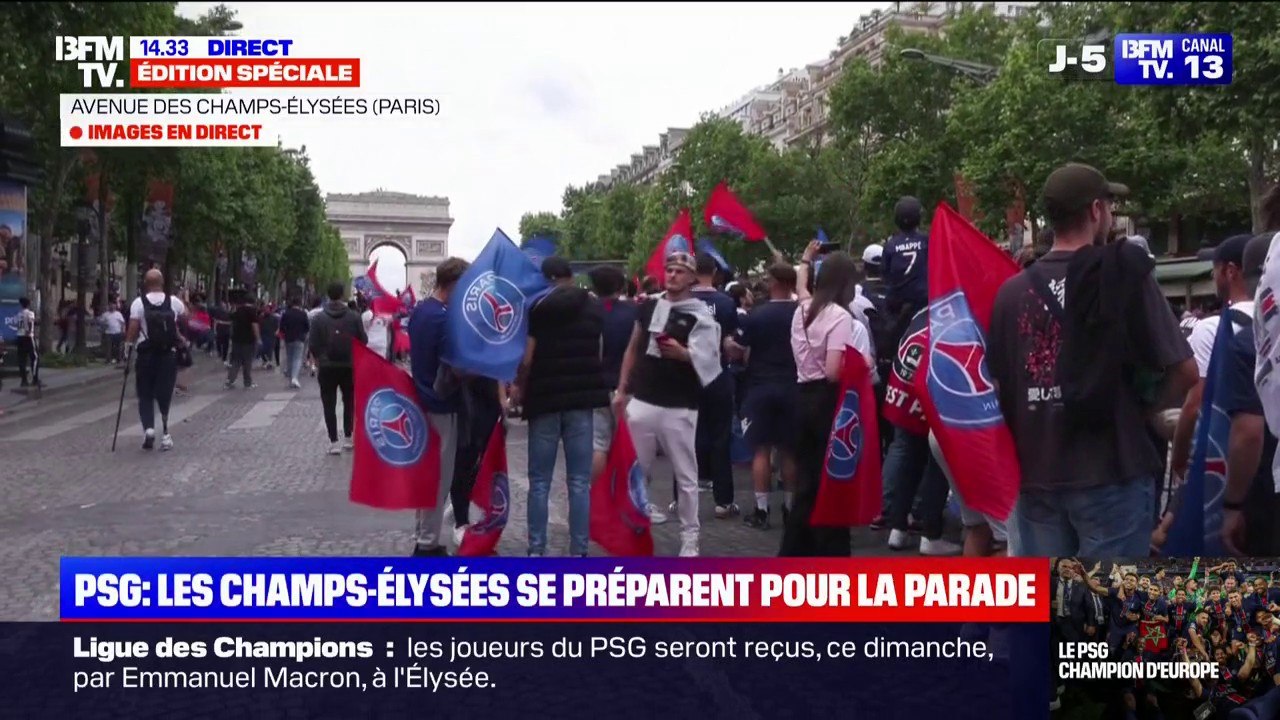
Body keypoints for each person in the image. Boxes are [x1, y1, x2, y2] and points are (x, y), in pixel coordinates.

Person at [987, 163, 1196, 557]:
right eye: (1111, 206)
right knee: (1108, 610)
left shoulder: (1009, 294)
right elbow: (1185, 370)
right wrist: (1147, 410)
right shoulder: (1124, 276)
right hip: (1113, 471)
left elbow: (998, 391)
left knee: (1054, 610)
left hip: (1036, 478)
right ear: (1096, 210)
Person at [615, 251, 723, 557]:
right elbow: (633, 348)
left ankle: (690, 536)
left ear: (691, 277)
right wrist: (623, 390)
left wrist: (685, 354)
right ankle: (633, 524)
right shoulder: (649, 305)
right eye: (669, 269)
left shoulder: (700, 315)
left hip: (680, 404)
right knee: (636, 470)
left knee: (686, 475)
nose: (673, 275)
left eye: (679, 271)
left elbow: (711, 359)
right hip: (644, 399)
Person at [512, 256, 610, 557]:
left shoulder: (539, 307)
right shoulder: (594, 306)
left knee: (539, 480)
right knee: (579, 481)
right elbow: (600, 350)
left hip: (545, 398)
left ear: (550, 278)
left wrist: (518, 387)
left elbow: (527, 358)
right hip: (583, 399)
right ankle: (579, 550)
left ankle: (536, 549)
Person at [781, 243, 873, 557]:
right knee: (831, 482)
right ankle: (830, 552)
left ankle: (794, 551)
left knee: (806, 483)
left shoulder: (802, 309)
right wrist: (863, 363)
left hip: (801, 396)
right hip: (826, 402)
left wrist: (806, 257)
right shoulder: (839, 316)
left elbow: (800, 286)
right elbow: (835, 371)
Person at [728, 262, 799, 530]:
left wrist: (728, 345)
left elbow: (738, 349)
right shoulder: (802, 313)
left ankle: (761, 510)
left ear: (775, 282)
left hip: (759, 387)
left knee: (761, 450)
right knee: (790, 451)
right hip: (793, 387)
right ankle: (790, 509)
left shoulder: (756, 315)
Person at [407, 257, 470, 557]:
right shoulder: (446, 318)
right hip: (442, 404)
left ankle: (423, 533)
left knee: (426, 473)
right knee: (440, 477)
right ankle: (428, 544)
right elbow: (455, 368)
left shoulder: (420, 311)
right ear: (453, 283)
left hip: (420, 400)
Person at [691, 253, 740, 519]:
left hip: (688, 375)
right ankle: (724, 500)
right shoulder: (725, 302)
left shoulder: (682, 302)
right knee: (721, 436)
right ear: (714, 272)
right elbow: (730, 341)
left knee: (686, 436)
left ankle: (682, 498)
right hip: (718, 373)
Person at [124, 269, 187, 451]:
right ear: (162, 282)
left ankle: (149, 430)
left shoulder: (139, 303)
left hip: (146, 354)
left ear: (145, 283)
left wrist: (127, 347)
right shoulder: (173, 302)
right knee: (164, 393)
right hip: (168, 354)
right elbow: (185, 318)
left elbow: (133, 328)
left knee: (145, 394)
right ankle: (166, 433)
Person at [307, 282, 367, 455]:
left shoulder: (319, 318)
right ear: (342, 295)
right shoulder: (354, 316)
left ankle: (334, 442)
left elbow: (313, 344)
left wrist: (320, 359)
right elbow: (363, 340)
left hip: (327, 366)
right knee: (349, 401)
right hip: (349, 365)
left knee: (329, 403)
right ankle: (348, 437)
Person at [224, 291, 259, 390]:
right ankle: (247, 382)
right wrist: (258, 338)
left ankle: (230, 380)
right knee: (247, 362)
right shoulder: (252, 311)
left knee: (236, 360)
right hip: (249, 340)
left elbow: (231, 321)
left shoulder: (238, 311)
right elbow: (254, 325)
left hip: (237, 339)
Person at [279, 296, 310, 389]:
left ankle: (290, 376)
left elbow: (281, 327)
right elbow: (307, 327)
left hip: (288, 338)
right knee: (297, 358)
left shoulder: (286, 314)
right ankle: (295, 378)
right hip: (300, 338)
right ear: (300, 304)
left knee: (289, 357)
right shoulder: (303, 314)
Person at [14, 296, 39, 388]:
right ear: (28, 304)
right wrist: (28, 331)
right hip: (28, 337)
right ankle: (35, 379)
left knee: (22, 359)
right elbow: (30, 322)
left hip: (19, 336)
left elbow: (16, 325)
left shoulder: (18, 314)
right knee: (35, 358)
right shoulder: (30, 313)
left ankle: (23, 380)